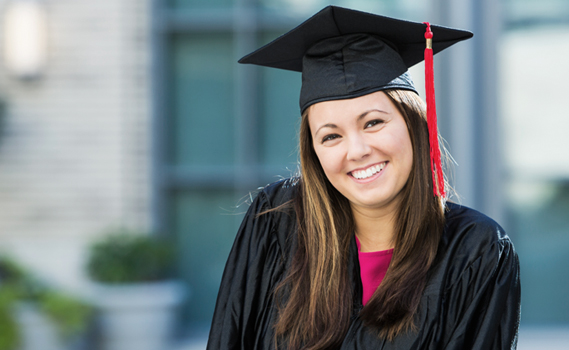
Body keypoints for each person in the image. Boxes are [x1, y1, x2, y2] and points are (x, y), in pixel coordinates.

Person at [207, 5, 520, 350]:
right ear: (313, 151)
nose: (356, 151)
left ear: (414, 125)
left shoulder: (477, 251)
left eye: (373, 122)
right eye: (331, 136)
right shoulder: (277, 223)